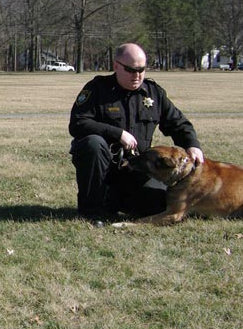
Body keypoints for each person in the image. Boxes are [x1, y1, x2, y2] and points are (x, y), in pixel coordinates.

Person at [68, 42, 204, 224]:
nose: (137, 75)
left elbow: (178, 123)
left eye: (141, 70)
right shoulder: (98, 88)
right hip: (104, 167)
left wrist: (192, 145)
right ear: (116, 66)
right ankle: (93, 211)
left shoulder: (153, 93)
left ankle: (115, 201)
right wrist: (117, 133)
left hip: (136, 168)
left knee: (159, 205)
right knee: (92, 144)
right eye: (131, 70)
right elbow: (78, 123)